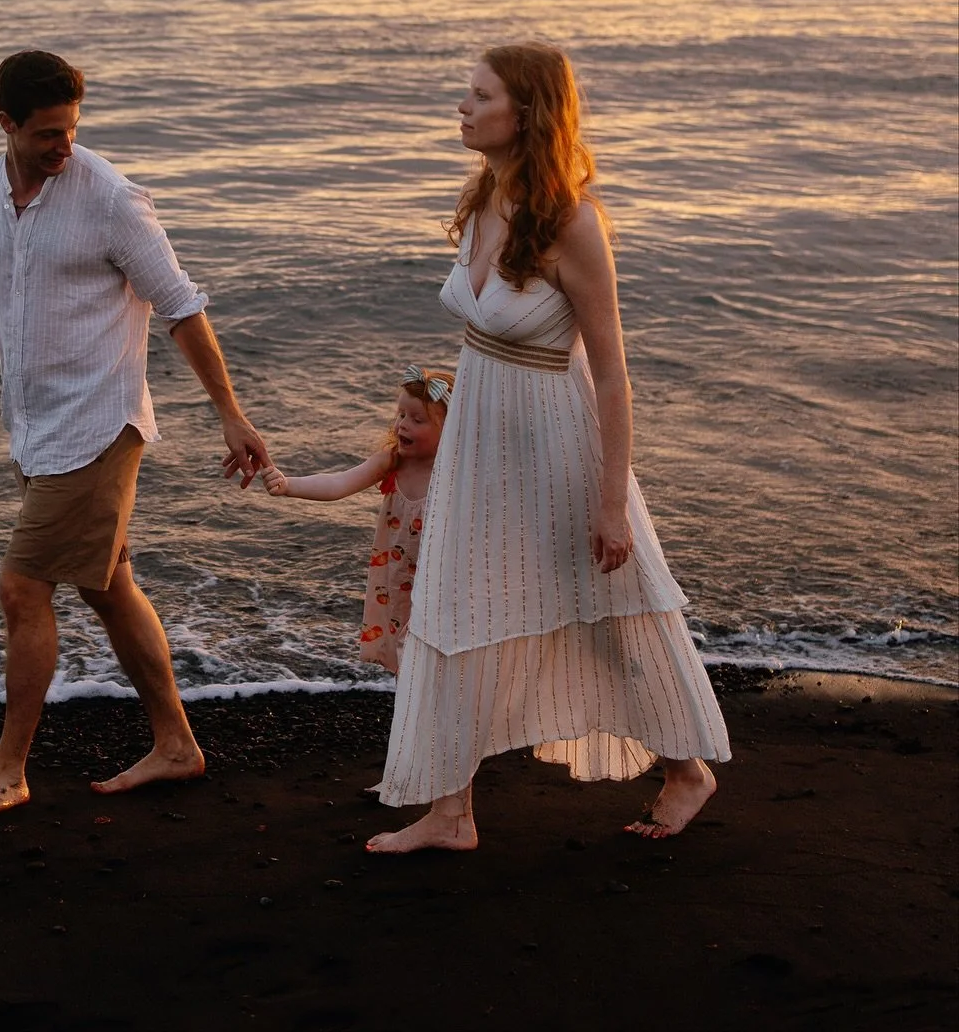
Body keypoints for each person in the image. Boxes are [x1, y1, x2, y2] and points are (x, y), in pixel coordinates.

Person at [369, 42, 730, 854]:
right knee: (456, 603)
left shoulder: (573, 221)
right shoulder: (486, 192)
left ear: (524, 112)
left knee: (610, 609)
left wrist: (610, 502)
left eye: (478, 95)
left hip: (558, 444)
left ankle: (685, 771)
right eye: (465, 92)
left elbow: (612, 377)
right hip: (482, 438)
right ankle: (450, 811)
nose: (461, 107)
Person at [0, 49, 269, 817]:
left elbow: (181, 307)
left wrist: (231, 414)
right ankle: (176, 744)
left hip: (99, 424)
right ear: (6, 123)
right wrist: (18, 404)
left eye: (73, 130)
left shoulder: (110, 197)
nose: (65, 146)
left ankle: (8, 770)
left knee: (21, 588)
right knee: (107, 585)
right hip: (34, 428)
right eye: (48, 132)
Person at [261, 366, 452, 674]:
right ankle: (410, 712)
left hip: (441, 580)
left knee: (432, 652)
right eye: (401, 415)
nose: (403, 425)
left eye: (417, 420)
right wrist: (288, 486)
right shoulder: (392, 461)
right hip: (400, 579)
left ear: (451, 429)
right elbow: (339, 484)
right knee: (406, 653)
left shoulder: (455, 474)